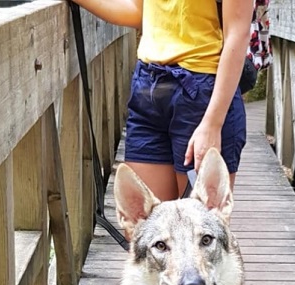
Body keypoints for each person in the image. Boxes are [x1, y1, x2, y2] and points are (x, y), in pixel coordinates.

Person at [70, 0, 254, 200]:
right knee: (146, 226)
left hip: (202, 96)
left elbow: (237, 32)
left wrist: (213, 123)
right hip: (148, 86)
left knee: (195, 227)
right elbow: (138, 12)